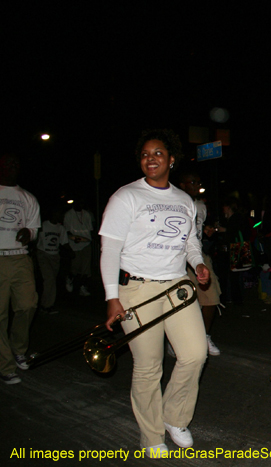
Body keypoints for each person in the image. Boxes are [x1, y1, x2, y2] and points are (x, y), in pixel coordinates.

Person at [99, 129, 209, 457]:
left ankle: (175, 417)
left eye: (158, 153)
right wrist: (112, 297)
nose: (151, 158)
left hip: (177, 286)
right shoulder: (126, 197)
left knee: (195, 354)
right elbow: (109, 250)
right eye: (146, 154)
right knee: (148, 365)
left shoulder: (183, 199)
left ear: (171, 159)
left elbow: (189, 241)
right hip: (137, 289)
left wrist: (198, 263)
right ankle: (152, 436)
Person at [0, 153, 40, 385]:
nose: (13, 164)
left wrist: (29, 234)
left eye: (16, 161)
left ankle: (18, 349)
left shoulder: (27, 198)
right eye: (8, 161)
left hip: (19, 258)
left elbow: (33, 229)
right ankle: (5, 365)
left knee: (27, 305)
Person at [179, 171, 222, 356]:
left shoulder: (201, 207)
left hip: (199, 256)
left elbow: (197, 234)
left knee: (211, 297)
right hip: (178, 258)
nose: (197, 185)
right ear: (183, 185)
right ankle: (178, 341)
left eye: (199, 182)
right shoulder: (176, 202)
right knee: (183, 302)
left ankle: (203, 336)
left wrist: (207, 232)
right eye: (193, 181)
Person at [36, 207, 68, 314]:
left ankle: (44, 304)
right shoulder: (43, 225)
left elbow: (64, 242)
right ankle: (47, 305)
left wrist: (70, 252)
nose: (60, 217)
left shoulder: (60, 228)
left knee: (51, 280)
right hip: (43, 254)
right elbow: (36, 240)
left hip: (55, 255)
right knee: (49, 279)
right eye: (58, 214)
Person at [63, 198, 94, 297]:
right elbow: (66, 230)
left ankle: (83, 287)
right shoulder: (69, 215)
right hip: (74, 244)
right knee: (75, 267)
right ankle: (70, 278)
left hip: (86, 243)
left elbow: (91, 229)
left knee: (86, 268)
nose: (80, 205)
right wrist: (73, 238)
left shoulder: (87, 214)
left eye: (82, 203)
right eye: (79, 203)